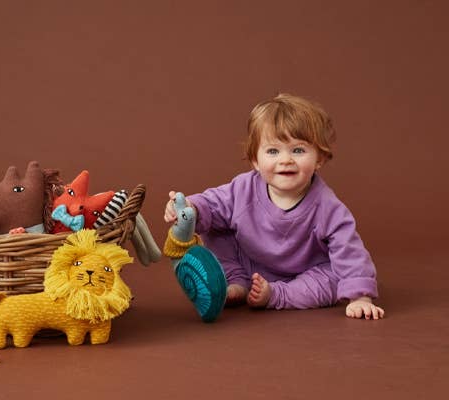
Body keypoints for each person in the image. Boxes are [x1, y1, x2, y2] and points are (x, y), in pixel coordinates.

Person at [163, 93, 385, 320]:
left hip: (306, 273)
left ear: (319, 158)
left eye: (298, 150)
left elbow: (350, 251)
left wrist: (360, 298)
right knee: (216, 230)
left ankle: (275, 295)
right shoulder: (243, 188)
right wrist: (190, 207)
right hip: (247, 261)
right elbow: (213, 203)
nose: (286, 159)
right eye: (273, 151)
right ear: (256, 161)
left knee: (333, 279)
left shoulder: (328, 207)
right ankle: (234, 282)